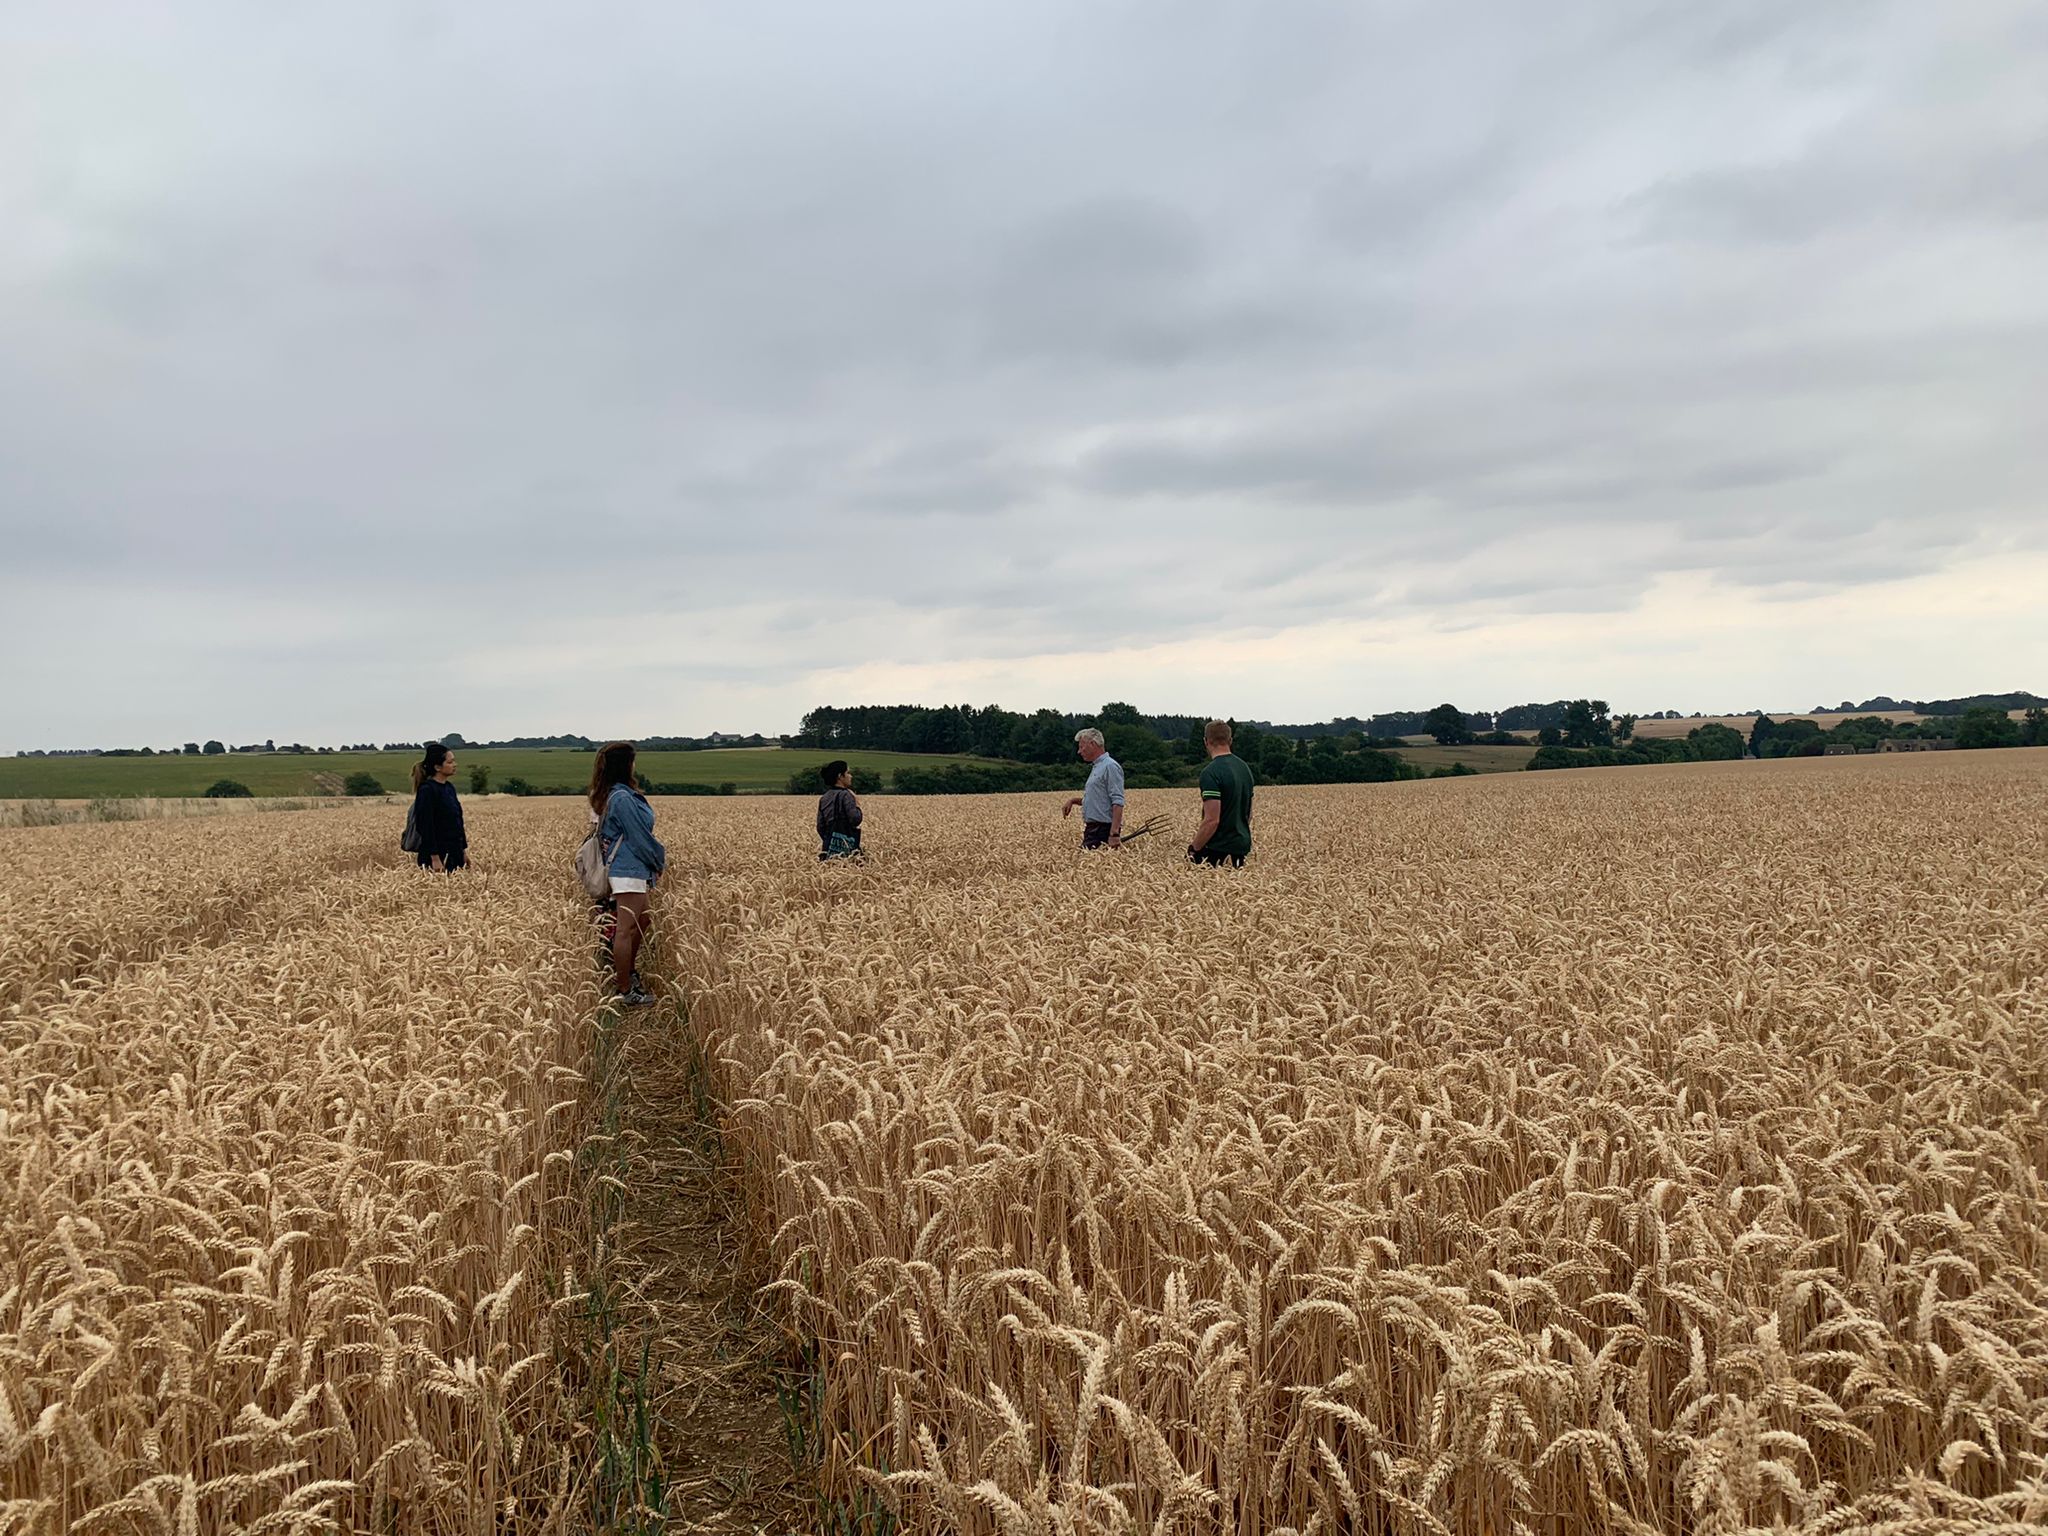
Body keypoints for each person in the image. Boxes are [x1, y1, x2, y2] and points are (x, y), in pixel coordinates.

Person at [590, 742, 665, 1005]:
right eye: (633, 760)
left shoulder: (614, 794)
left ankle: (628, 973)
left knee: (642, 922)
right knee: (626, 929)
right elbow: (639, 836)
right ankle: (624, 988)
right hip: (628, 869)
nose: (636, 765)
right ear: (626, 765)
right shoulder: (621, 798)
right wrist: (658, 860)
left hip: (630, 868)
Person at [1188, 719, 1254, 868]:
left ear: (1206, 741)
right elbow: (1248, 814)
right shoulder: (1244, 768)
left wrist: (1194, 848)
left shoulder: (1211, 772)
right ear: (1230, 740)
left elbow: (1212, 820)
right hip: (1241, 846)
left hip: (1217, 849)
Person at [1062, 727, 1124, 849]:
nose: (1079, 752)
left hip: (1102, 829)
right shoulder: (1098, 767)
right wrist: (1073, 801)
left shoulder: (1110, 766)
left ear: (1092, 744)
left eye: (1081, 747)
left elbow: (1118, 801)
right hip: (1094, 829)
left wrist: (1114, 834)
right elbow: (1099, 800)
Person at [410, 742, 467, 872]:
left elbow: (457, 822)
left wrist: (463, 851)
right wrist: (434, 858)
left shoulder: (449, 788)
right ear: (437, 767)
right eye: (450, 762)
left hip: (454, 852)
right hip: (437, 855)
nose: (454, 765)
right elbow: (425, 825)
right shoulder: (427, 790)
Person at [817, 760, 864, 859]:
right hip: (847, 850)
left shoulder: (824, 798)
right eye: (848, 773)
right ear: (840, 776)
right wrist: (858, 804)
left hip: (828, 849)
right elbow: (855, 819)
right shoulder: (846, 795)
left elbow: (820, 827)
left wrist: (831, 839)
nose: (851, 776)